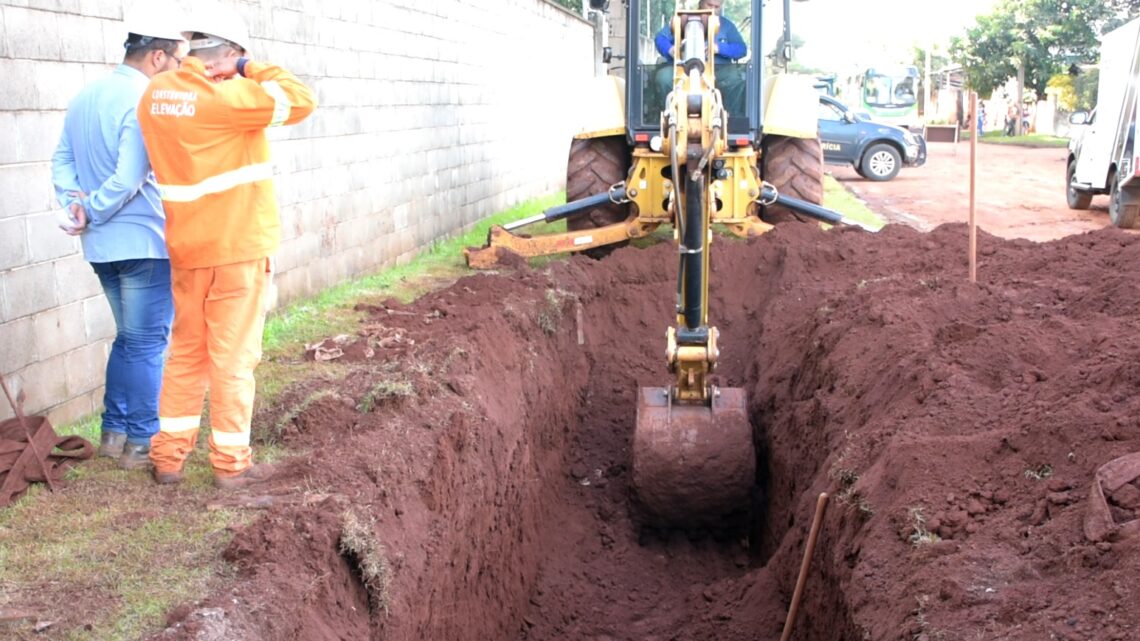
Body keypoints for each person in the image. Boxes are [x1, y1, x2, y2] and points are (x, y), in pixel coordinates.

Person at [136, 2, 316, 489]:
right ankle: (231, 467)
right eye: (239, 56)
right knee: (233, 359)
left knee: (186, 354)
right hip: (237, 250)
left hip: (187, 249)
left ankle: (168, 461)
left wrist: (223, 68)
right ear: (229, 53)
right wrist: (246, 67)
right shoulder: (233, 97)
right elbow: (300, 99)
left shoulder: (156, 94)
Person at [50, 7, 188, 471]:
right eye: (177, 61)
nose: (179, 71)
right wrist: (89, 207)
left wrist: (74, 205)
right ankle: (141, 441)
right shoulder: (144, 99)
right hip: (143, 242)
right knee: (148, 341)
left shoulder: (85, 96)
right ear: (156, 57)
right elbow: (131, 175)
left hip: (101, 245)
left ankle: (113, 433)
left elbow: (62, 161)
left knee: (129, 339)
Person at [652, 0, 748, 116]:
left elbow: (741, 49)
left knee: (735, 79)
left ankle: (730, 119)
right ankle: (669, 116)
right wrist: (671, 49)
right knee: (663, 78)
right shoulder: (682, 20)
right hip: (683, 69)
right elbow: (660, 38)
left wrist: (719, 48)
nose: (713, 9)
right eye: (709, 5)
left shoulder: (727, 26)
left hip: (718, 70)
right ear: (701, 3)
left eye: (716, 7)